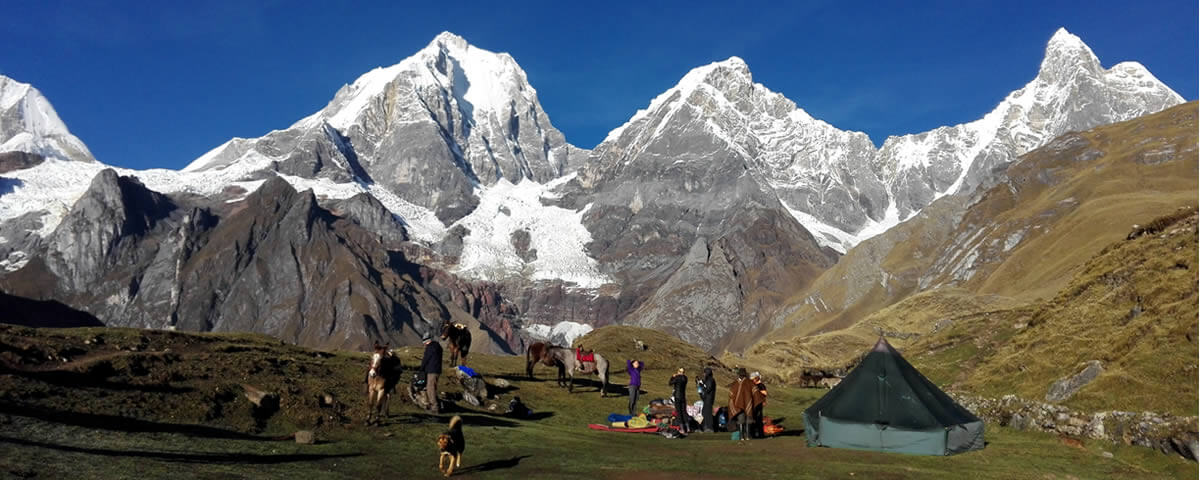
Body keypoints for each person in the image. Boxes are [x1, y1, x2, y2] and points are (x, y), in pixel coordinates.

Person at [727, 368, 754, 441]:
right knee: (744, 419)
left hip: (741, 405)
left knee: (744, 420)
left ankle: (743, 437)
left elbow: (731, 395)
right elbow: (732, 395)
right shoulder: (749, 382)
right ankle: (745, 436)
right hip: (743, 405)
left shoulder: (739, 383)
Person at [420, 332, 443, 414]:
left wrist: (421, 368)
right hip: (437, 370)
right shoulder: (438, 346)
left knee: (430, 389)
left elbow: (426, 359)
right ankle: (434, 405)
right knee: (433, 388)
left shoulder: (429, 348)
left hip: (431, 371)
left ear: (426, 341)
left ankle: (435, 408)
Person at [669, 367, 690, 433]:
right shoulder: (685, 378)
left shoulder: (677, 378)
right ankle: (688, 427)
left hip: (677, 397)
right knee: (684, 412)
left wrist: (672, 377)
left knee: (679, 412)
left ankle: (682, 428)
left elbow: (670, 383)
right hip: (683, 397)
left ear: (678, 371)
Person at [699, 367, 717, 433]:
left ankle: (710, 428)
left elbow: (708, 389)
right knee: (704, 412)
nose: (704, 374)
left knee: (708, 413)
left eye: (704, 373)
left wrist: (702, 386)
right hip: (707, 399)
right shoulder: (709, 380)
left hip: (709, 399)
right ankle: (705, 426)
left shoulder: (710, 380)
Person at [750, 371, 768, 438]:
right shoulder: (753, 385)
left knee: (758, 420)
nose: (752, 380)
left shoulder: (761, 385)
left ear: (757, 378)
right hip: (753, 405)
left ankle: (760, 434)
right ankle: (753, 434)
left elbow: (764, 394)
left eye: (753, 379)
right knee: (753, 419)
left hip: (758, 405)